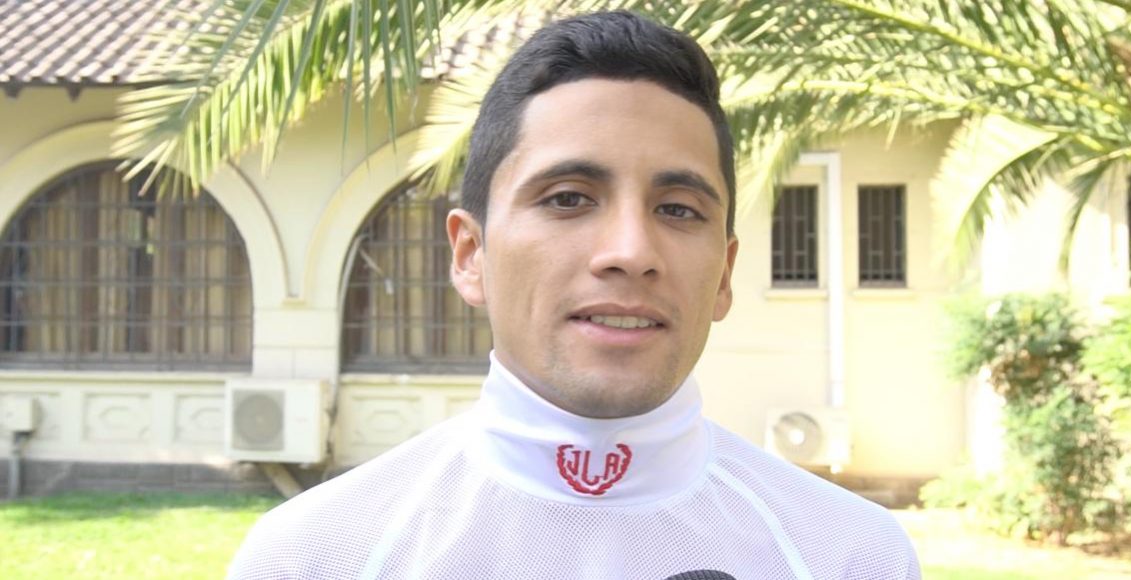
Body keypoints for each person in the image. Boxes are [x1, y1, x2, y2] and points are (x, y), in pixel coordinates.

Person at [229, 11, 920, 580]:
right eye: (567, 198)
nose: (631, 252)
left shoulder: (848, 557)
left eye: (678, 209)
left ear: (725, 274)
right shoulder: (314, 558)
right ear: (471, 255)